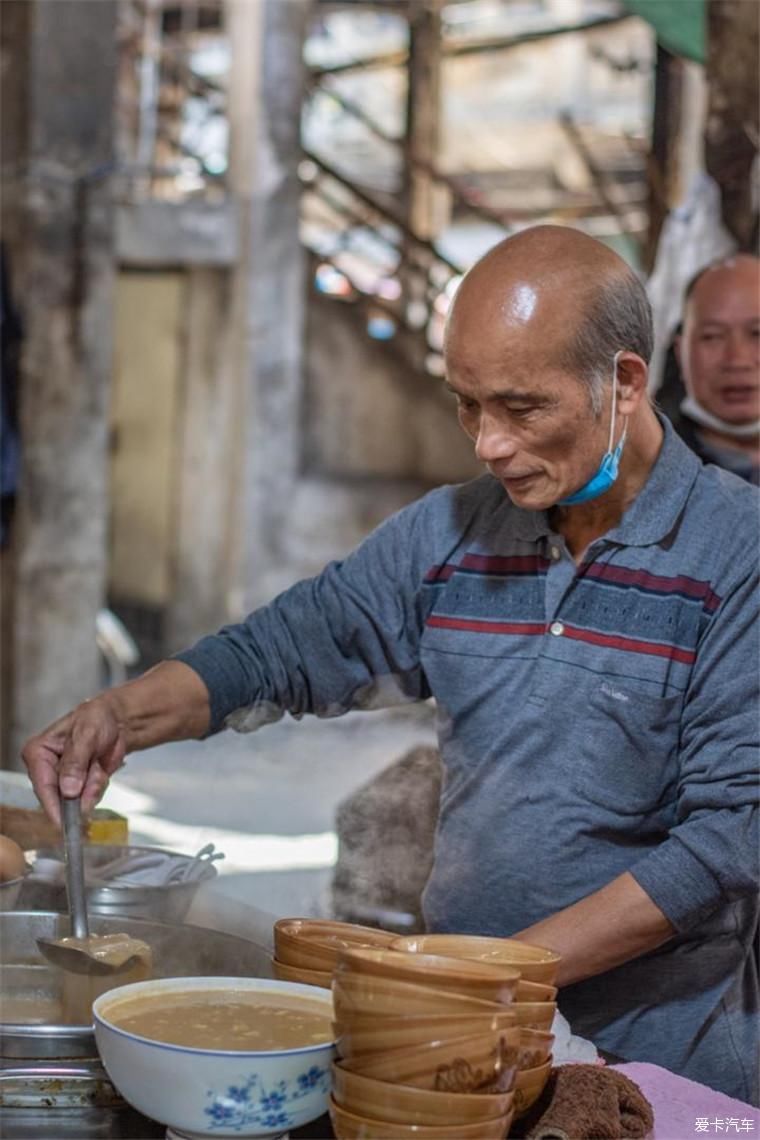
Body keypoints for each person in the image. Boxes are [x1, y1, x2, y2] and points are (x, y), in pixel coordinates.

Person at [22, 226, 759, 1103]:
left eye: (521, 409)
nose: (486, 444)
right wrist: (122, 715)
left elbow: (727, 842)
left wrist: (485, 977)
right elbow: (289, 646)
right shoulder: (452, 535)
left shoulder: (734, 553)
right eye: (466, 403)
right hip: (455, 1049)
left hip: (657, 1061)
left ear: (625, 383)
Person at [670, 253, 759, 484]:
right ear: (681, 353)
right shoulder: (645, 471)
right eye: (712, 337)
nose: (737, 360)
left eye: (757, 333)